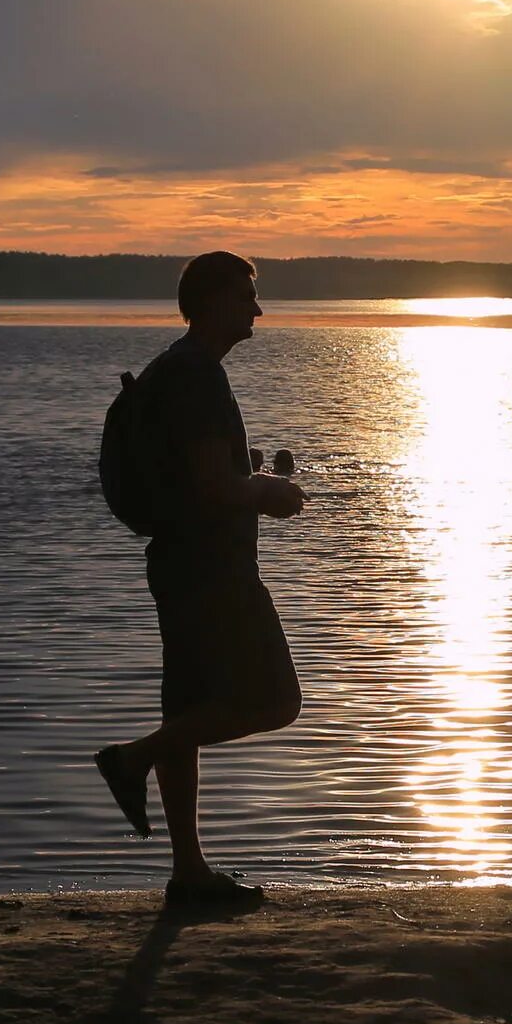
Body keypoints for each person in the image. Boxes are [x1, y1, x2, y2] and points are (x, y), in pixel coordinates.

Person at [94, 251, 307, 907]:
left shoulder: (174, 371)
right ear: (212, 299)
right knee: (276, 700)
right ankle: (131, 760)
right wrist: (268, 490)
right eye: (246, 295)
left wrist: (248, 487)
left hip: (178, 560)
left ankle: (189, 873)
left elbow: (197, 478)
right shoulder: (197, 378)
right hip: (212, 568)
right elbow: (216, 486)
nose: (256, 309)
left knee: (187, 709)